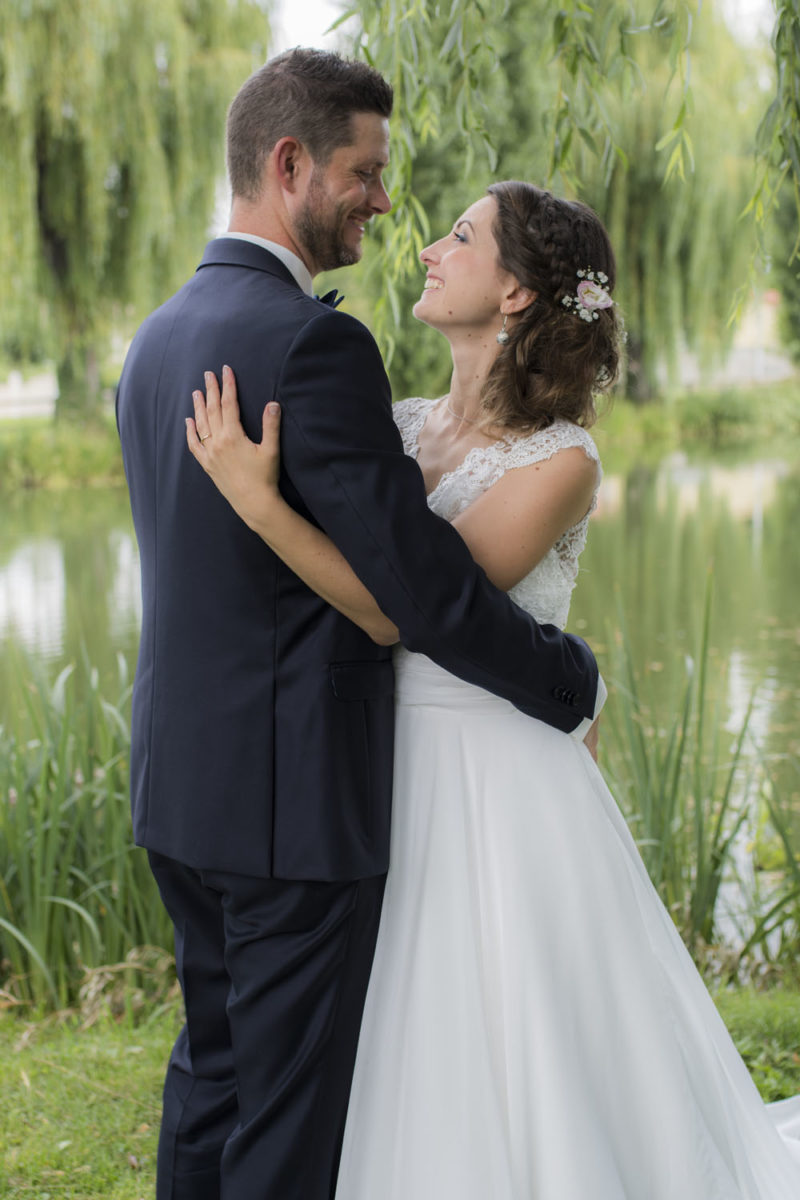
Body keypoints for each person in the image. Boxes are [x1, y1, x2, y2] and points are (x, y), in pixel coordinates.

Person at [188, 179, 800, 1197]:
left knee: (516, 1022)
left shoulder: (560, 462)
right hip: (381, 760)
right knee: (404, 1021)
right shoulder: (393, 421)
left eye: (460, 236)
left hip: (498, 773)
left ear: (514, 293)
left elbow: (415, 608)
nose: (429, 246)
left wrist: (260, 504)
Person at [116, 50, 602, 1200]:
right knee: (284, 1124)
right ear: (290, 165)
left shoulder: (159, 336)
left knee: (212, 1081)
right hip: (290, 804)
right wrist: (566, 675)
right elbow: (421, 598)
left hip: (185, 781)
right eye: (366, 172)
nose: (387, 204)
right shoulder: (312, 345)